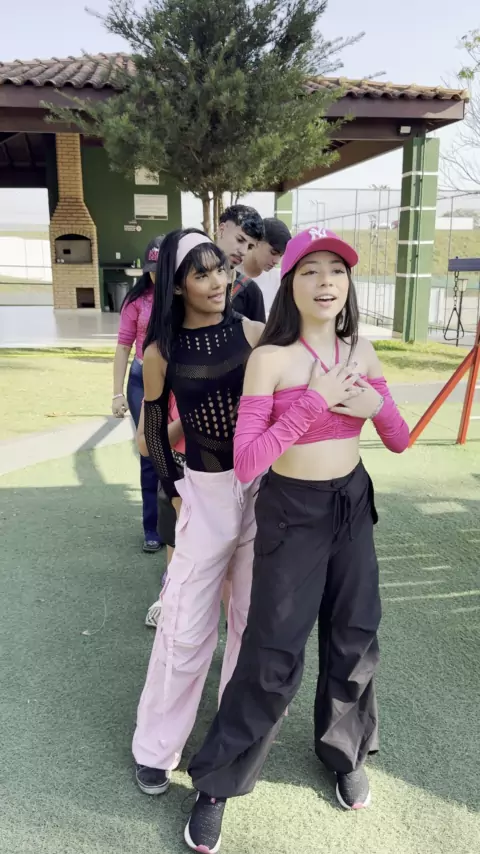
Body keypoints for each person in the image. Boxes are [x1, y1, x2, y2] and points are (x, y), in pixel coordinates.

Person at [184, 228, 410, 853]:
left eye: (336, 269)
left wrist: (375, 408)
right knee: (273, 649)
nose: (326, 281)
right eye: (310, 270)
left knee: (355, 632)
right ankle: (218, 783)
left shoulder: (361, 350)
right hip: (292, 511)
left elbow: (398, 439)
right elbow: (248, 462)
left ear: (348, 283)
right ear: (289, 283)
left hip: (352, 503)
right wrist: (314, 401)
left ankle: (344, 751)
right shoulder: (272, 359)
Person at [132, 227, 264, 797]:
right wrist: (176, 493)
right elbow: (154, 434)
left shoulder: (254, 332)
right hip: (203, 492)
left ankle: (236, 739)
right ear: (176, 285)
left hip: (262, 490)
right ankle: (155, 747)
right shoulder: (160, 353)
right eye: (201, 273)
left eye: (221, 270)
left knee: (251, 620)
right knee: (184, 625)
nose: (217, 281)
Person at [112, 236, 164, 553]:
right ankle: (152, 527)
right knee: (148, 453)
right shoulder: (136, 301)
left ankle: (180, 522)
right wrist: (116, 393)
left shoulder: (186, 296)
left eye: (163, 267)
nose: (157, 274)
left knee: (177, 452)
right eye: (152, 269)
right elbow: (123, 347)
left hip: (175, 382)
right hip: (140, 382)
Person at [136, 396, 186, 626]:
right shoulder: (164, 382)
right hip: (177, 468)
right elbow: (146, 445)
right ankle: (170, 595)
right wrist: (190, 413)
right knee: (175, 537)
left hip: (224, 473)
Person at [215, 205, 266, 322]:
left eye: (250, 247)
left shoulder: (251, 292)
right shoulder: (190, 280)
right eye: (240, 240)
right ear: (221, 230)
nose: (243, 252)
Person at [239, 217, 291, 315]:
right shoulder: (230, 274)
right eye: (273, 252)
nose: (276, 261)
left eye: (281, 255)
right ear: (257, 242)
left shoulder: (279, 280)